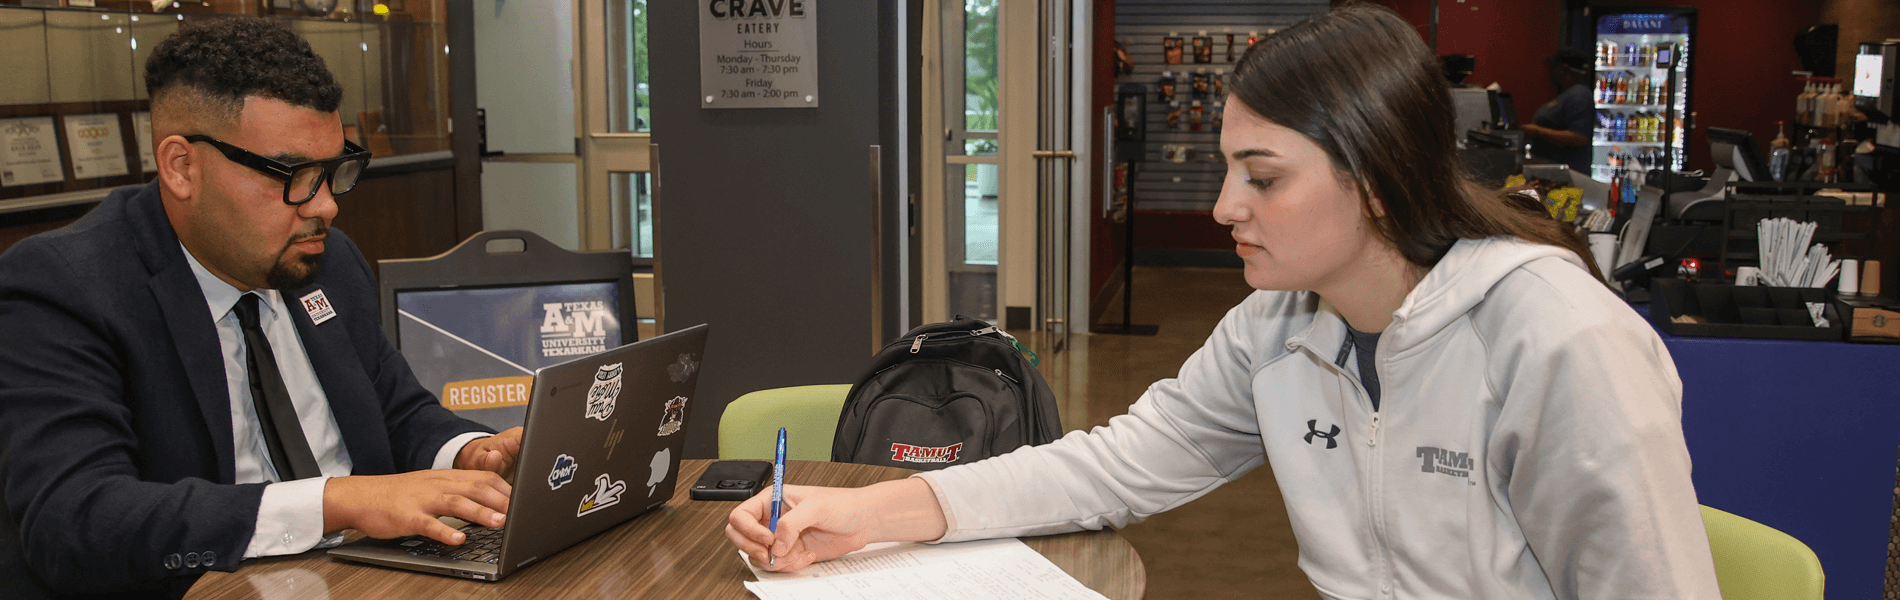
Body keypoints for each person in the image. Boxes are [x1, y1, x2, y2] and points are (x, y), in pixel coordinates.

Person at [727, 5, 1720, 599]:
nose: (1222, 208)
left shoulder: (1556, 341)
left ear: (1373, 177)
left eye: (1262, 176)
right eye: (1223, 171)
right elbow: (1113, 469)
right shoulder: (1273, 333)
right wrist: (869, 513)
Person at [0, 19, 524, 599]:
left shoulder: (326, 261)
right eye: (295, 175)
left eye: (334, 170)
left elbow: (395, 412)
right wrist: (334, 502)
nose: (326, 205)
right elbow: (74, 519)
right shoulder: (65, 287)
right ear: (181, 167)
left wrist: (470, 454)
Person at [1521, 50, 1597, 175]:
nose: (1550, 73)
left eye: (1553, 68)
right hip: (1555, 173)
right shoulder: (1566, 94)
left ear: (1563, 69)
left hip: (1568, 178)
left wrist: (1537, 131)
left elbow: (1579, 138)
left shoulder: (1579, 95)